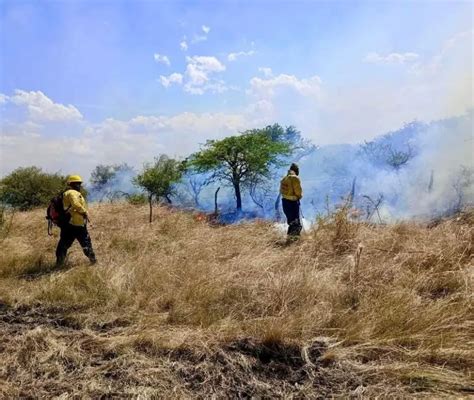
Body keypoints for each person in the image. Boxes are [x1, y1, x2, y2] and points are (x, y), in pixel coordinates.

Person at [56, 175, 97, 266]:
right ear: (71, 184)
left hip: (67, 224)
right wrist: (84, 212)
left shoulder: (66, 193)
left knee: (63, 245)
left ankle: (59, 264)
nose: (79, 185)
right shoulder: (72, 193)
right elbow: (75, 204)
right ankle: (93, 262)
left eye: (79, 183)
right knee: (86, 243)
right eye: (77, 183)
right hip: (77, 224)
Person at [280, 163, 303, 238]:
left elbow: (281, 191)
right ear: (297, 170)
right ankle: (294, 242)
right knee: (296, 224)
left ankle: (289, 240)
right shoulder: (295, 178)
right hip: (293, 203)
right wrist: (299, 197)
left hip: (285, 202)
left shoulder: (284, 178)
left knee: (291, 223)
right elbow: (298, 192)